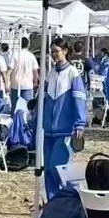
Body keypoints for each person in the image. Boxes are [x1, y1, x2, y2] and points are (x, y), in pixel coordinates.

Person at [42, 40, 88, 199]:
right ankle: (53, 203)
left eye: (57, 51)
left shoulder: (73, 73)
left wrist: (80, 124)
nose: (54, 54)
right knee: (48, 170)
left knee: (60, 169)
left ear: (65, 51)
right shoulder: (51, 73)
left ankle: (74, 198)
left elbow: (79, 99)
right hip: (48, 131)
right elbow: (44, 99)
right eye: (52, 52)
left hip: (65, 131)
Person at [10, 36, 40, 107]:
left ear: (19, 44)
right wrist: (35, 82)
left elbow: (10, 69)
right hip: (28, 84)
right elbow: (35, 71)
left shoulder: (15, 55)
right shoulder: (31, 56)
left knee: (15, 106)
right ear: (28, 44)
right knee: (27, 106)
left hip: (15, 83)